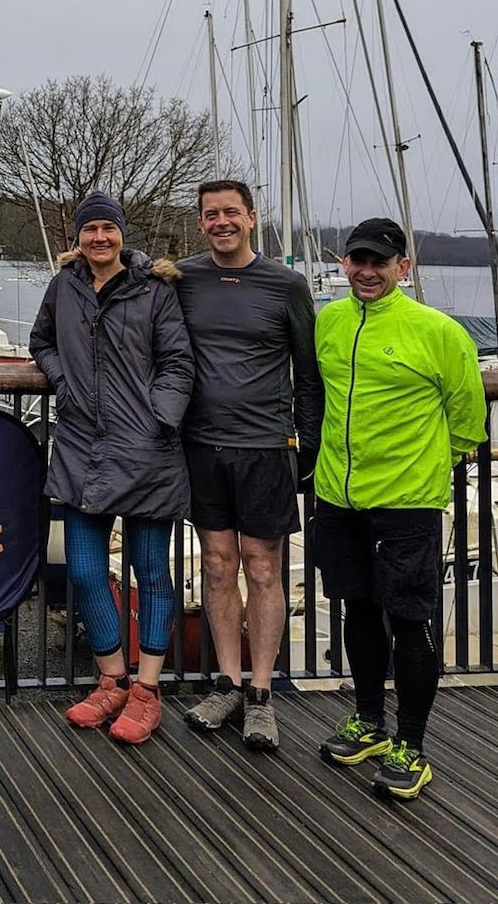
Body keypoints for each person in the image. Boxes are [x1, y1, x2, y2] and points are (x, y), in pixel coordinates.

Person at [314, 217, 486, 800]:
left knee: (410, 622)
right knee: (358, 612)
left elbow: (468, 418)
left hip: (407, 503)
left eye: (379, 263)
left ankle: (411, 744)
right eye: (358, 260)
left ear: (402, 268)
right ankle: (369, 721)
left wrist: (429, 468)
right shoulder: (330, 321)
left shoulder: (439, 331)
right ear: (344, 263)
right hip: (337, 494)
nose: (367, 272)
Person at [29, 190, 193, 745]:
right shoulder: (64, 286)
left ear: (122, 233)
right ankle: (112, 680)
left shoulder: (154, 289)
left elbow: (178, 363)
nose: (99, 237)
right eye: (90, 229)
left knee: (150, 570)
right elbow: (41, 341)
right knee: (84, 569)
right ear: (78, 237)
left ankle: (147, 691)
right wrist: (62, 381)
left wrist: (159, 416)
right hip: (81, 446)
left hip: (147, 450)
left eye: (108, 228)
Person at [176, 179, 322, 751]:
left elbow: (308, 372)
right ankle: (228, 684)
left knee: (262, 567)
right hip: (202, 444)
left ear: (252, 217)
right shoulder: (183, 278)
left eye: (231, 212)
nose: (222, 222)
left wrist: (307, 447)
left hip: (265, 445)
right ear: (200, 223)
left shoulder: (286, 284)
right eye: (211, 214)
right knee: (217, 565)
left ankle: (262, 693)